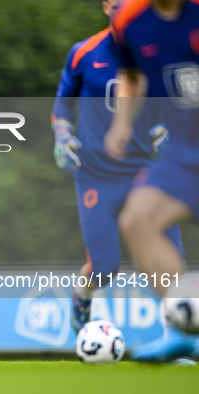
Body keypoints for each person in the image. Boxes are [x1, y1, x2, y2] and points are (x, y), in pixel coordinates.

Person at [51, 0, 183, 333]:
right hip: (96, 174)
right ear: (105, 6)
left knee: (168, 257)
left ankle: (179, 336)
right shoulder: (84, 52)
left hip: (147, 172)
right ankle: (82, 294)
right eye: (115, 4)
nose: (121, 9)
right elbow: (62, 105)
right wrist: (62, 135)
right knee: (105, 267)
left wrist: (168, 128)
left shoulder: (155, 47)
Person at [106, 0, 199, 362]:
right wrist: (122, 123)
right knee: (137, 220)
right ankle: (182, 329)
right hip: (183, 152)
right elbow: (131, 76)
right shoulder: (128, 21)